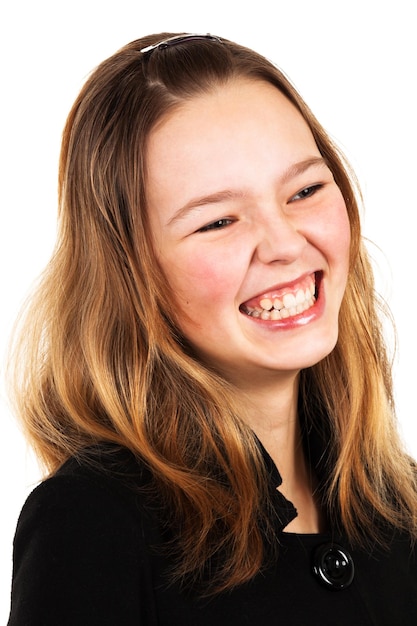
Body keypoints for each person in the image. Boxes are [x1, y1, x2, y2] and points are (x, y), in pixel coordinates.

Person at [7, 32, 417, 625]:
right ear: (132, 272)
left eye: (305, 189)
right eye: (219, 221)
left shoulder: (398, 507)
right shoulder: (92, 523)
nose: (285, 244)